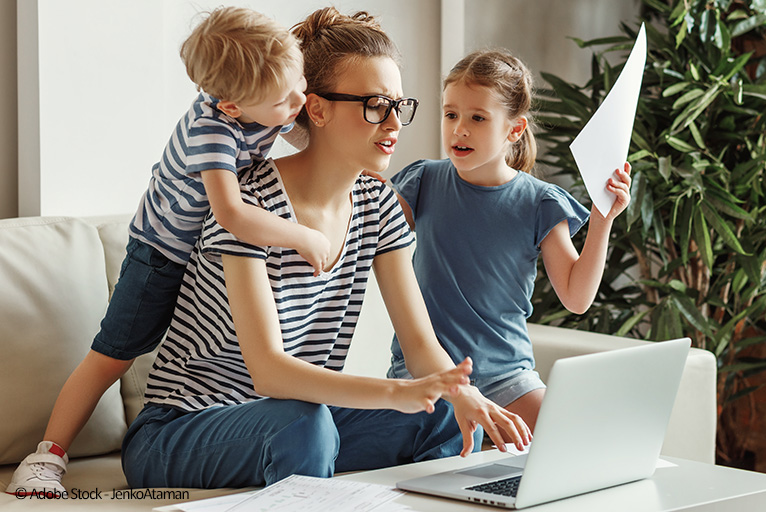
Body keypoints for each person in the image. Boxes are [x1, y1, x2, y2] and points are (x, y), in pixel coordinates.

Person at [120, 7, 530, 489]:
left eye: (399, 105)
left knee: (441, 414)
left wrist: (464, 394)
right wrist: (397, 391)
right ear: (316, 108)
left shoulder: (378, 203)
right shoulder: (248, 202)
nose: (394, 121)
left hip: (293, 422)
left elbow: (420, 346)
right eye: (376, 104)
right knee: (304, 422)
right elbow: (269, 373)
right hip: (182, 429)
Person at [5, 6, 329, 497]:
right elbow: (232, 214)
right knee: (111, 356)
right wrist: (303, 234)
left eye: (301, 82)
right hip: (160, 256)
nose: (300, 101)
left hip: (200, 256)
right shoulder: (210, 132)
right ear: (232, 107)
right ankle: (46, 456)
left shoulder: (267, 101)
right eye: (286, 99)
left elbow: (310, 131)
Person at [386, 48, 633, 433]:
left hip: (507, 379)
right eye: (451, 114)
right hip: (426, 377)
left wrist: (603, 219)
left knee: (572, 440)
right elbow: (362, 236)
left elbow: (576, 297)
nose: (459, 129)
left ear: (514, 129)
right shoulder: (421, 182)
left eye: (477, 118)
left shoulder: (540, 203)